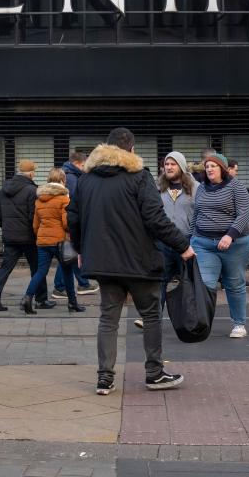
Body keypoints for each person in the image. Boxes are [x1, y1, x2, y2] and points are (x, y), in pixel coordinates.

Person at [68, 128, 193, 396]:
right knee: (150, 315)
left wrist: (80, 249)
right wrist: (182, 245)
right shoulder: (139, 177)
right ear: (132, 150)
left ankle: (104, 378)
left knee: (108, 318)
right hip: (139, 261)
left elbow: (74, 219)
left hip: (102, 261)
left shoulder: (86, 179)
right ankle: (154, 373)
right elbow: (156, 219)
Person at [190, 152, 249, 338]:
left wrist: (230, 235)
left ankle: (239, 324)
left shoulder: (236, 187)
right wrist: (191, 239)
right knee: (206, 284)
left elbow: (244, 214)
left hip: (235, 245)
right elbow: (196, 215)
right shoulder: (201, 188)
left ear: (222, 169)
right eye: (207, 166)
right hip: (204, 243)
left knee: (234, 283)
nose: (209, 169)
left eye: (213, 166)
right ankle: (202, 323)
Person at [134, 151, 197, 329]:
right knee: (158, 280)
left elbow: (200, 215)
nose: (168, 167)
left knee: (189, 282)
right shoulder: (156, 187)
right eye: (166, 164)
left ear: (182, 167)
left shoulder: (196, 187)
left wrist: (194, 238)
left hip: (187, 241)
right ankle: (151, 319)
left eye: (173, 164)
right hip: (164, 242)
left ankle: (191, 320)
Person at [0, 160, 53, 311]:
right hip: (28, 237)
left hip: (10, 237)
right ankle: (41, 300)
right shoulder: (31, 190)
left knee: (4, 269)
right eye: (34, 171)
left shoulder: (4, 189)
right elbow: (33, 216)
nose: (34, 174)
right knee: (37, 268)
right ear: (30, 173)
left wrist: (6, 228)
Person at [21, 168, 85, 315]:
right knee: (67, 272)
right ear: (63, 180)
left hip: (43, 241)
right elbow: (66, 223)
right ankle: (72, 303)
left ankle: (27, 297)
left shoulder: (39, 199)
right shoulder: (64, 199)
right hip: (62, 241)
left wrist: (42, 235)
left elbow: (35, 225)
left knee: (40, 272)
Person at [53, 152, 98, 300]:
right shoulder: (72, 178)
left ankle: (79, 284)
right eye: (85, 165)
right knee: (70, 253)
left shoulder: (70, 175)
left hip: (69, 222)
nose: (86, 168)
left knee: (71, 254)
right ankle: (64, 286)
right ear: (78, 164)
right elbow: (76, 203)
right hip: (72, 222)